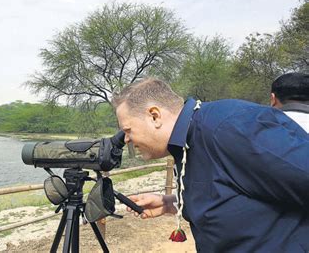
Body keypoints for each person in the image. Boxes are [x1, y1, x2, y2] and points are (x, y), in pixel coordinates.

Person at [112, 78, 309, 252]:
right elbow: (228, 194)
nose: (126, 139)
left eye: (127, 130)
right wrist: (170, 202)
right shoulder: (186, 144)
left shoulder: (229, 127)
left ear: (154, 116)